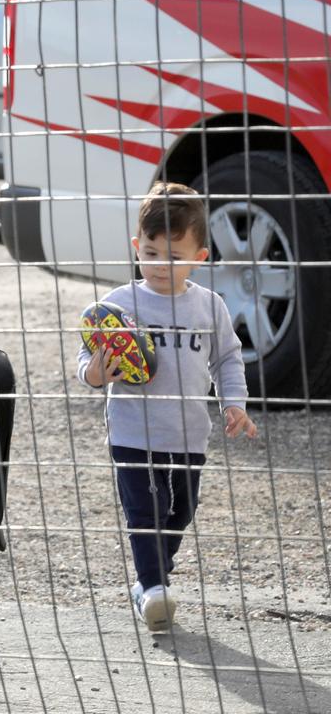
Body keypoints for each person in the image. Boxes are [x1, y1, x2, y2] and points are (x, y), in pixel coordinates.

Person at [78, 182, 257, 632]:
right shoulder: (117, 305)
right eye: (152, 253)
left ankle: (151, 577)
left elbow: (227, 359)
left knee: (182, 511)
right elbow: (87, 358)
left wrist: (234, 402)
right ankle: (154, 586)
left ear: (201, 256)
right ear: (137, 247)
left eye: (175, 256)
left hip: (188, 435)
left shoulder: (209, 307)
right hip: (132, 433)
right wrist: (97, 373)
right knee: (145, 513)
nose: (161, 265)